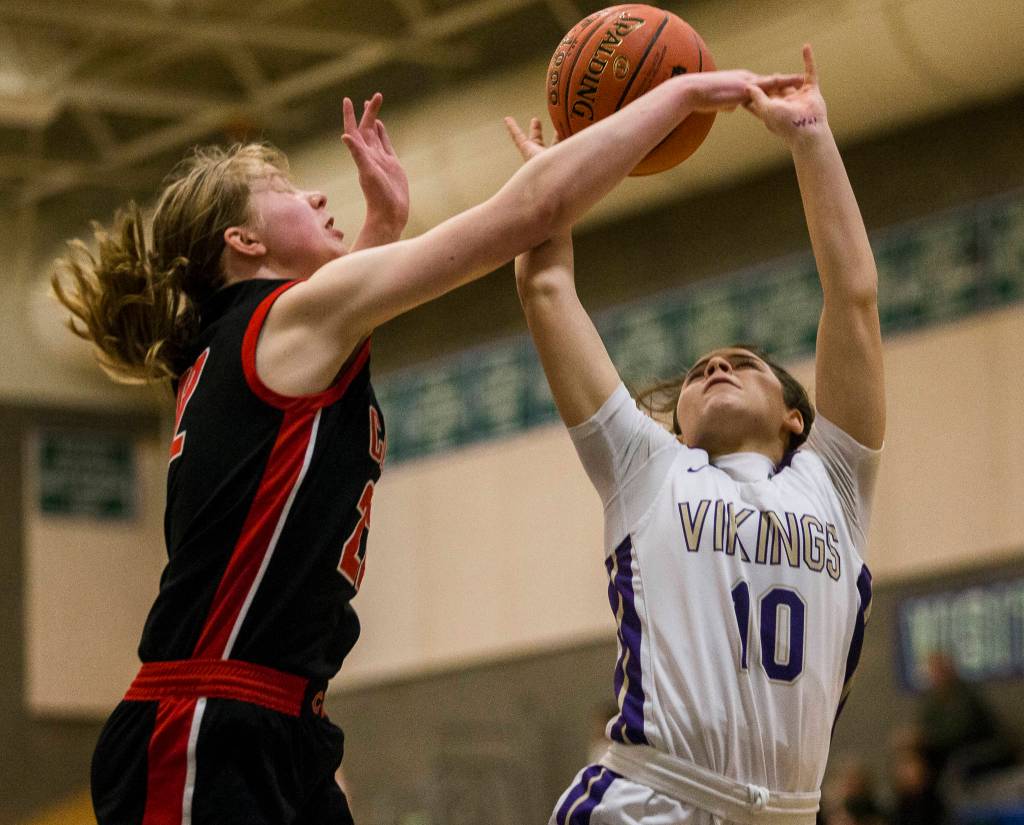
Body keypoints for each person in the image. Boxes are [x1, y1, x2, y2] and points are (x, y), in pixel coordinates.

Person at [53, 60, 803, 825]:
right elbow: (533, 207)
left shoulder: (271, 336)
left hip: (281, 723)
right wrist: (677, 95)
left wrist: (382, 228)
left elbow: (342, 335)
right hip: (206, 726)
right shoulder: (285, 319)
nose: (315, 195)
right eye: (285, 192)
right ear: (243, 240)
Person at [508, 45, 884, 825]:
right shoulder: (650, 471)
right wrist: (554, 187)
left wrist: (812, 134)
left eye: (741, 362)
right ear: (674, 422)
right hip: (652, 802)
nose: (713, 364)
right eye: (697, 372)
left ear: (795, 416)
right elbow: (547, 288)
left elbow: (852, 297)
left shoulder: (834, 483)